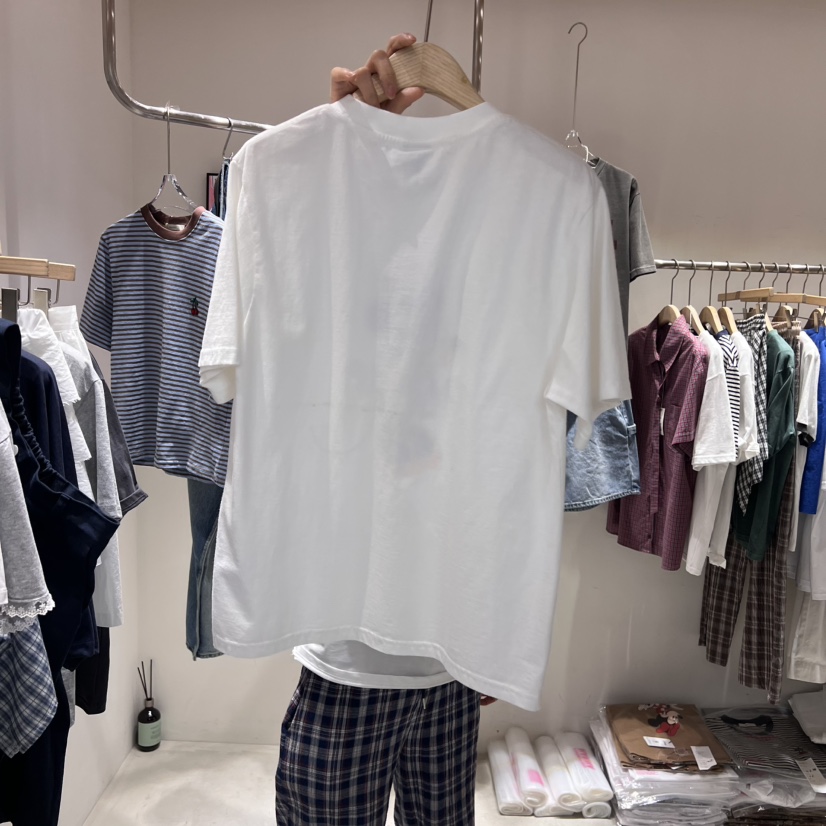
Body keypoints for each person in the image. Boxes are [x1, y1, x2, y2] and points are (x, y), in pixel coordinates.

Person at [274, 34, 495, 826]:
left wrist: (490, 626)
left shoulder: (503, 239)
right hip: (351, 658)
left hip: (452, 654)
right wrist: (345, 146)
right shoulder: (339, 272)